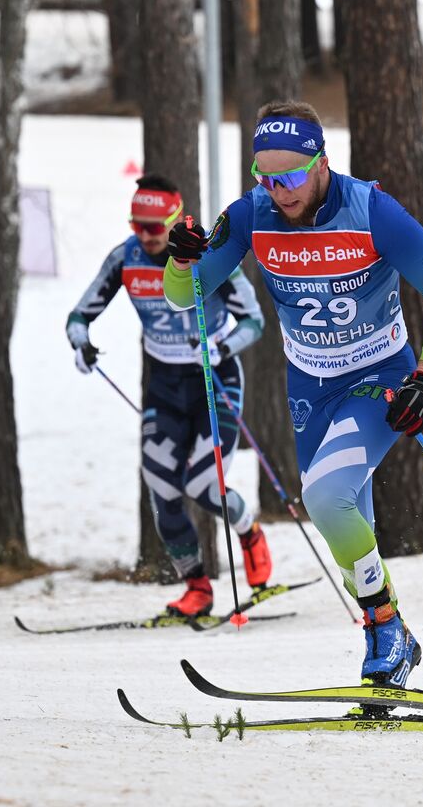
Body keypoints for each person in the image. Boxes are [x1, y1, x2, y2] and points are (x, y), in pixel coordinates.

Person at [161, 101, 423, 688]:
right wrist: (180, 258)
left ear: (322, 161)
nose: (281, 191)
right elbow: (186, 295)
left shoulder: (372, 210)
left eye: (293, 176)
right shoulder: (251, 215)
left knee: (325, 497)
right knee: (345, 527)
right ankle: (394, 638)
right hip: (308, 390)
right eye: (267, 178)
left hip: (378, 381)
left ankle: (383, 628)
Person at [66, 175, 271, 617]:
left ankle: (250, 532)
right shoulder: (126, 257)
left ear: (175, 220)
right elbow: (80, 313)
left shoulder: (210, 258)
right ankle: (197, 587)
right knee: (161, 485)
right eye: (137, 225)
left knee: (203, 485)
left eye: (155, 228)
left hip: (215, 381)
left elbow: (254, 321)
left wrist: (220, 346)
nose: (145, 236)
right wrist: (79, 341)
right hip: (164, 385)